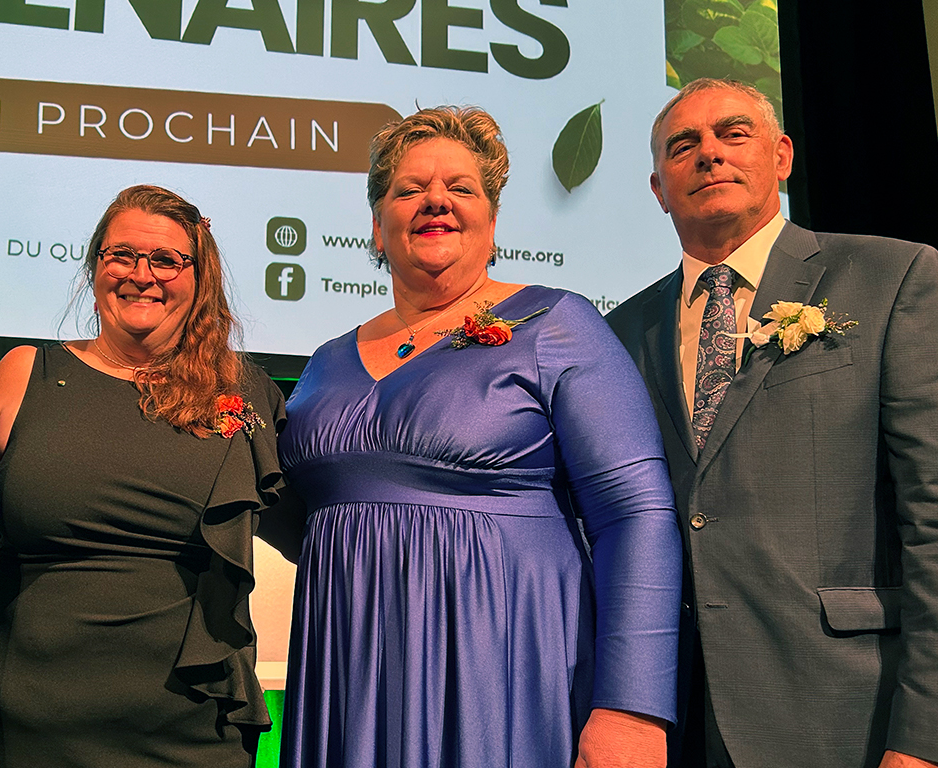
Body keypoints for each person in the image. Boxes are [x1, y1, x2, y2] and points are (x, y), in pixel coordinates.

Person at [278, 105, 682, 768]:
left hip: (503, 665)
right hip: (348, 673)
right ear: (377, 227)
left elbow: (635, 515)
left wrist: (632, 709)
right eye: (409, 189)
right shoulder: (326, 360)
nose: (436, 199)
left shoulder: (557, 324)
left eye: (461, 188)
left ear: (491, 224)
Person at [606, 78, 938, 768]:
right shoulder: (620, 330)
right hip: (681, 716)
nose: (710, 155)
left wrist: (926, 737)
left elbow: (937, 513)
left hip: (850, 710)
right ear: (657, 188)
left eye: (733, 135)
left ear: (783, 156)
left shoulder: (893, 276)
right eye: (684, 146)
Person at [0, 184, 293, 767]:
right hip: (23, 727)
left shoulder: (244, 391)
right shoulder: (25, 372)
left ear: (198, 277)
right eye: (122, 256)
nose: (143, 274)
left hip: (188, 733)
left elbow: (314, 529)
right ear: (94, 268)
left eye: (166, 259)